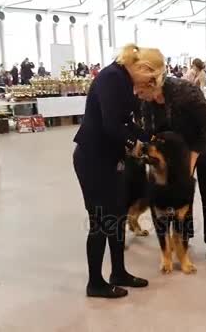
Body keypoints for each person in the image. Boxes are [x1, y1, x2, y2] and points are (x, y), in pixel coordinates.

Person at [73, 44, 165, 299]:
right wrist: (134, 145)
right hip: (92, 158)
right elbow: (111, 124)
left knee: (117, 217)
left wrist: (149, 137)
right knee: (101, 222)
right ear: (142, 68)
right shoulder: (111, 77)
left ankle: (118, 272)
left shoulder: (124, 80)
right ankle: (95, 283)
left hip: (110, 158)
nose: (151, 83)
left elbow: (126, 122)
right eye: (151, 77)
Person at [135, 75, 206, 265]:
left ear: (152, 84)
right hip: (179, 145)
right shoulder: (147, 103)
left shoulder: (184, 91)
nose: (137, 93)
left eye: (140, 89)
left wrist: (190, 162)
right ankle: (185, 236)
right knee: (182, 190)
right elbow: (151, 134)